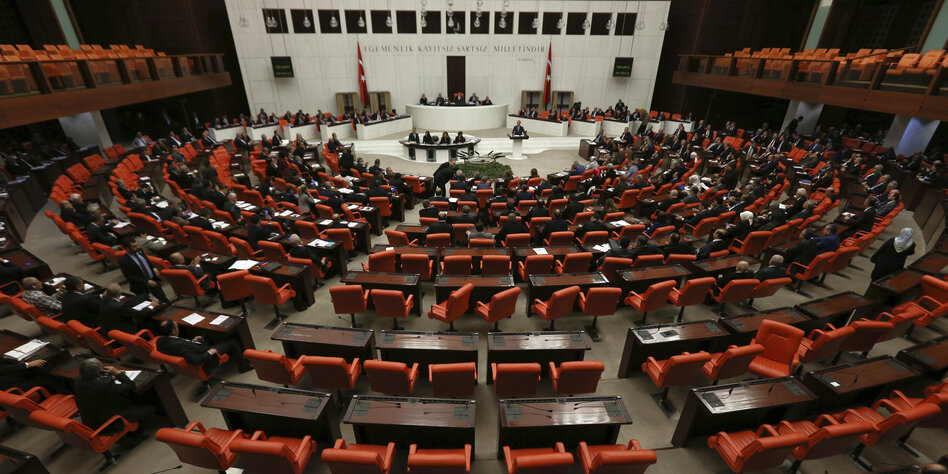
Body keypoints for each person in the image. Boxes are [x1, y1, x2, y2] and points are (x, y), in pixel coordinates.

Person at [74, 358, 154, 435]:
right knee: (150, 407)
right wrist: (118, 373)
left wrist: (112, 376)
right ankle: (136, 430)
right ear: (98, 372)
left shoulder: (79, 379)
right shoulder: (104, 386)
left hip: (92, 421)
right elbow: (130, 385)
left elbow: (95, 382)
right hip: (109, 423)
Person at [155, 320, 252, 372]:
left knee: (207, 333)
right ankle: (243, 366)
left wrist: (192, 341)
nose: (178, 328)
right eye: (177, 327)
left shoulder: (160, 341)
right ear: (173, 331)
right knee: (232, 342)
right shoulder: (181, 346)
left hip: (195, 347)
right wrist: (210, 352)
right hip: (207, 357)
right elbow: (195, 360)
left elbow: (180, 345)